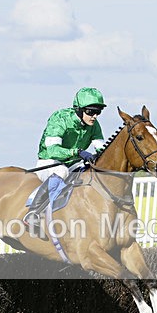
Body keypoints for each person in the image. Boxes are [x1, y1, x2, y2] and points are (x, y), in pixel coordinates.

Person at [25, 87, 107, 227]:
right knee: (62, 171)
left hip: (73, 163)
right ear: (79, 110)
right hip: (50, 162)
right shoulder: (60, 119)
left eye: (98, 112)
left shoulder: (94, 125)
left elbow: (101, 148)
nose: (94, 116)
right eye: (90, 112)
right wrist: (78, 152)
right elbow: (52, 151)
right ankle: (33, 213)